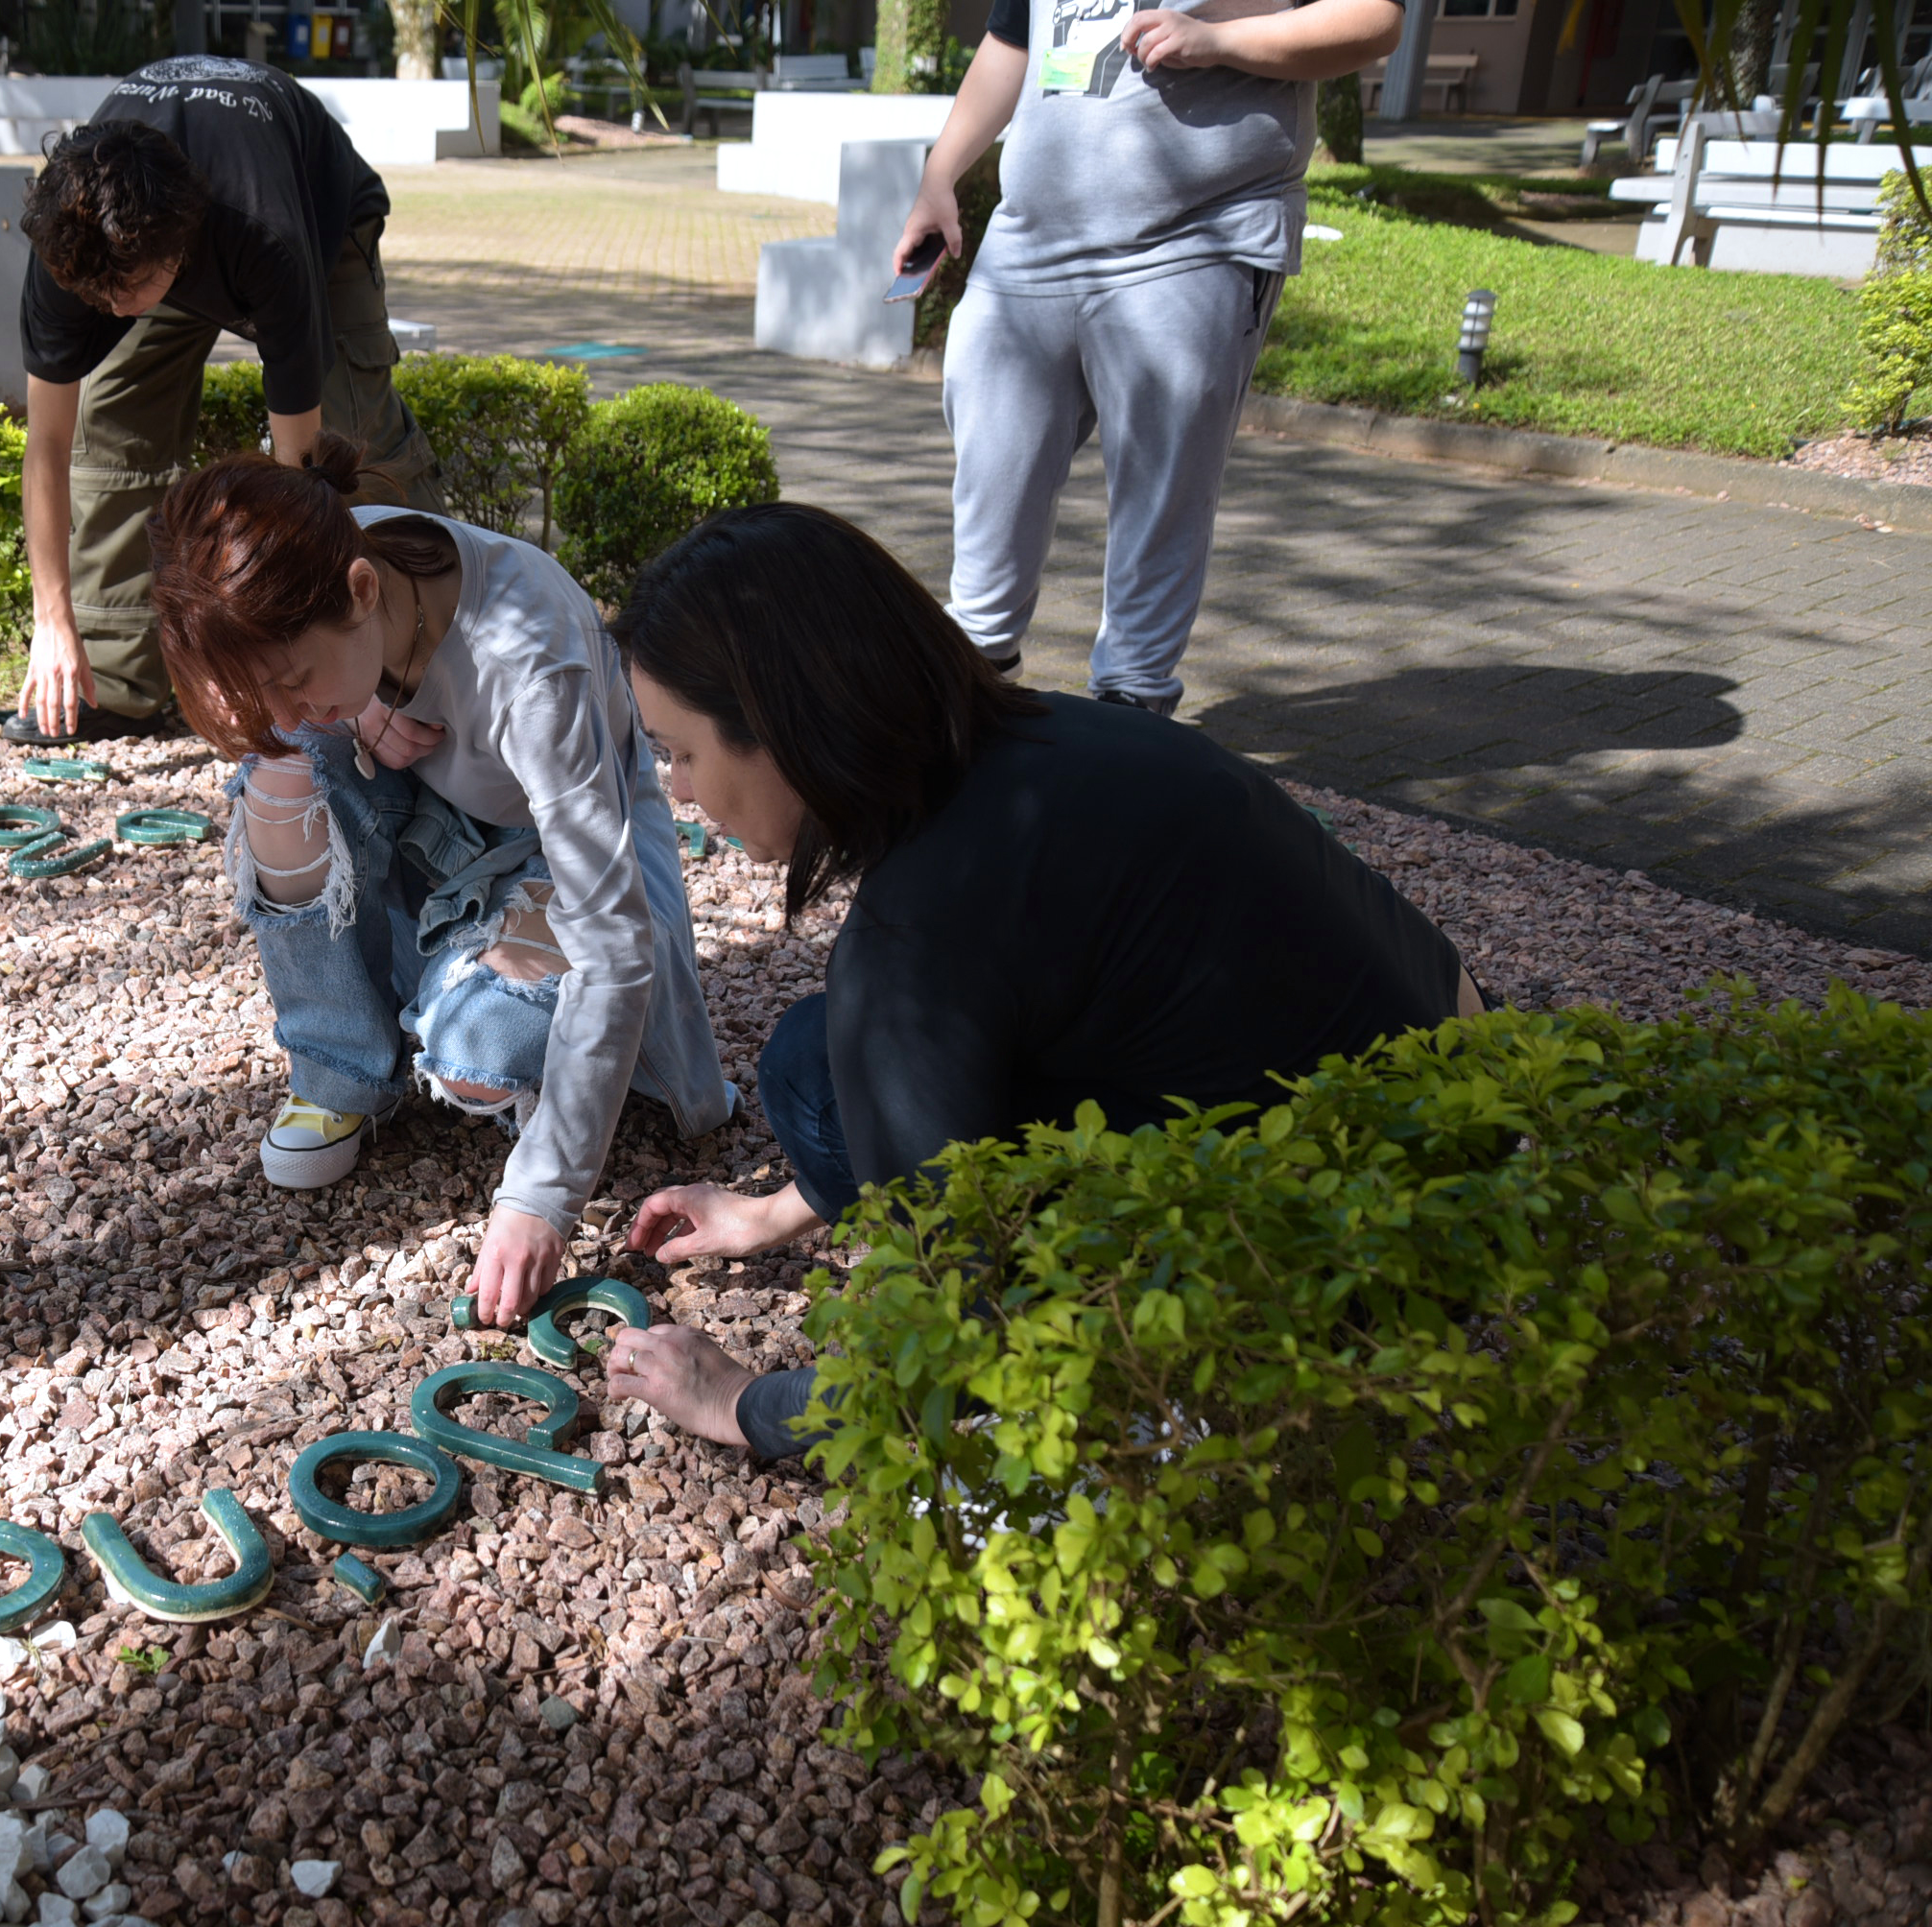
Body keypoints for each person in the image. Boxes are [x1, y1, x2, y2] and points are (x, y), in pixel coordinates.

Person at [595, 504, 1485, 1458]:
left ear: (779, 725)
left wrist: (737, 1401)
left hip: (1339, 1284)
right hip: (1470, 1163)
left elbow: (943, 1351)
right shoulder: (1059, 740)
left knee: (835, 1059)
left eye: (679, 749)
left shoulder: (914, 944)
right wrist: (772, 1212)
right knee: (817, 1065)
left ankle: (1158, 1408)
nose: (677, 789)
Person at [147, 436, 733, 1319]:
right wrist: (360, 703)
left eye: (296, 680)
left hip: (543, 854)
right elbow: (320, 697)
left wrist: (542, 1195)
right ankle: (341, 1067)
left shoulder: (534, 666)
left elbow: (614, 946)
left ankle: (448, 1002)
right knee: (283, 774)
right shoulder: (331, 563)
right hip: (430, 823)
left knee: (478, 1052)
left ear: (362, 591)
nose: (285, 712)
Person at [894, 0, 1402, 715]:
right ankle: (972, 670)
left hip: (1194, 237)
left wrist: (1220, 40)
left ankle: (1131, 706)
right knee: (993, 466)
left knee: (1163, 486)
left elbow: (1372, 20)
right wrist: (940, 172)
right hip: (1030, 241)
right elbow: (1013, 38)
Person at [11, 55, 443, 749]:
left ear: (177, 257)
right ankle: (116, 684)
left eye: (125, 296)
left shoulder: (264, 237)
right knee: (111, 425)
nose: (110, 313)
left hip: (321, 219)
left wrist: (343, 685)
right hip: (151, 236)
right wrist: (50, 618)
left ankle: (414, 672)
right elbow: (49, 445)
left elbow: (299, 477)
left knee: (352, 442)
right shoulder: (75, 241)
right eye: (97, 299)